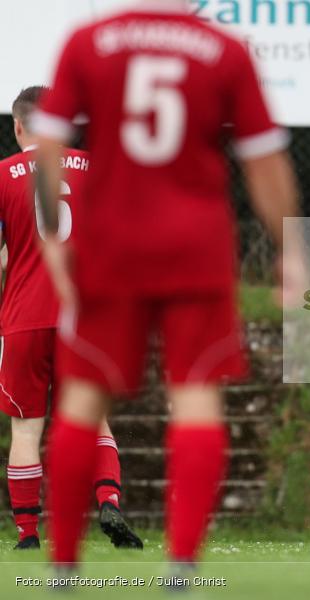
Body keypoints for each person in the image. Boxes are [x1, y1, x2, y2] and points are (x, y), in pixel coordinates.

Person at [30, 0, 306, 570]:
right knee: (197, 393)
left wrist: (54, 235)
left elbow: (48, 145)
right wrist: (290, 247)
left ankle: (63, 564)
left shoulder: (88, 40)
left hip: (110, 244)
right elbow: (263, 160)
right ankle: (182, 562)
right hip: (196, 246)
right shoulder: (225, 50)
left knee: (83, 396)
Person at [0, 86, 142, 551]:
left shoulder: (2, 175)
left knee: (26, 428)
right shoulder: (94, 168)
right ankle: (109, 501)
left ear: (18, 126)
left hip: (24, 317)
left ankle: (27, 534)